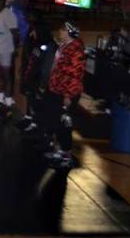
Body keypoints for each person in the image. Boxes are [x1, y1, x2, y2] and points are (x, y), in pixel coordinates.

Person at [42, 22, 86, 169]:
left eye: (63, 29)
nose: (60, 31)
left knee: (64, 124)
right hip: (55, 89)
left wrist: (68, 95)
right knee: (55, 122)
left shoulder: (76, 50)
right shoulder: (63, 45)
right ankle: (59, 151)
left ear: (70, 32)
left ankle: (66, 155)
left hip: (67, 93)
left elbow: (75, 74)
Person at [0, 0, 20, 108]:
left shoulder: (8, 14)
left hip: (6, 50)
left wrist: (15, 49)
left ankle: (8, 100)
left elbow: (15, 33)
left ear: (1, 1)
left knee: (6, 76)